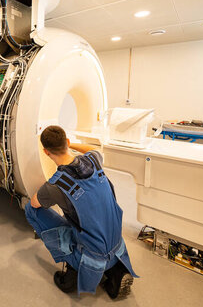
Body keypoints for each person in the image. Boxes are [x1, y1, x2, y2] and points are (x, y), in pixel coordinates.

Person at [25, 125, 138, 298]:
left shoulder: (55, 185)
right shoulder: (93, 159)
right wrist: (73, 145)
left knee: (30, 210)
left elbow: (35, 203)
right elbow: (93, 149)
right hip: (117, 244)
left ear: (46, 152)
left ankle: (74, 268)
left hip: (93, 256)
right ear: (67, 142)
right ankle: (115, 273)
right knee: (84, 217)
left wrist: (46, 190)